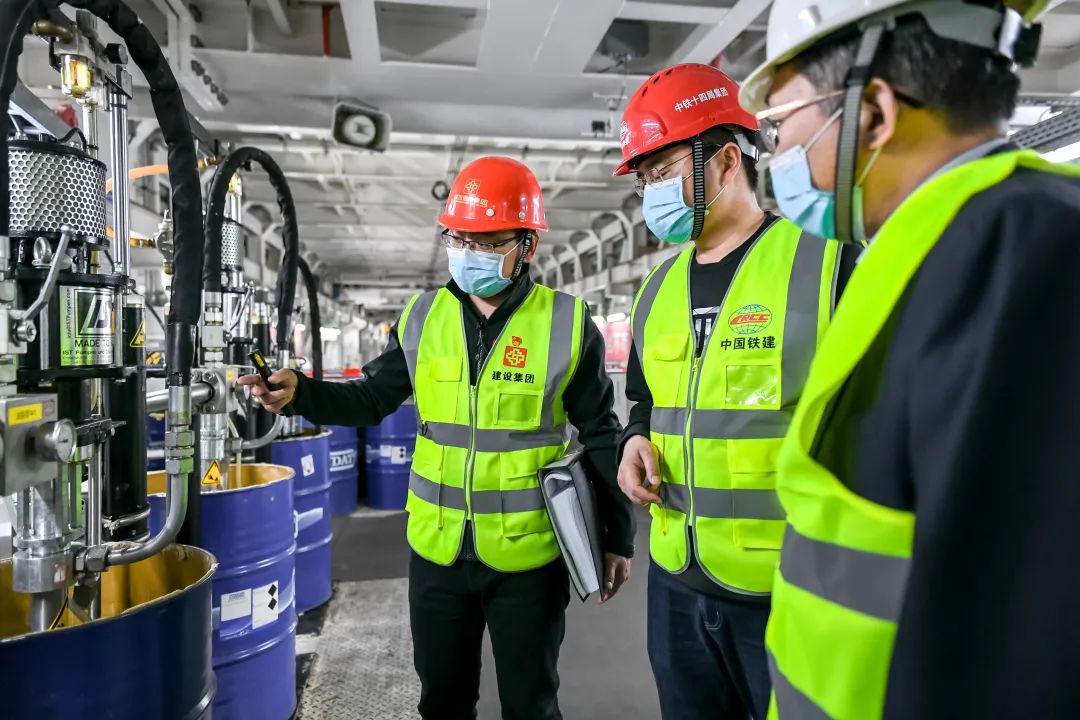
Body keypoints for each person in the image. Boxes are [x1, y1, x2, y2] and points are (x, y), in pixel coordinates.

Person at [739, 1, 1080, 718]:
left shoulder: (1020, 253)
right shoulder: (933, 245)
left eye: (780, 124)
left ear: (873, 113)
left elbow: (1022, 640)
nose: (775, 155)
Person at [240, 156, 635, 720]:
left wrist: (618, 536)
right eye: (459, 238)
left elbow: (600, 433)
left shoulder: (567, 323)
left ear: (527, 245)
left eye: (487, 242)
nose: (469, 252)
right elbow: (370, 398)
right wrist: (299, 393)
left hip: (528, 557)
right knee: (443, 703)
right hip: (438, 551)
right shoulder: (423, 317)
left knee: (531, 704)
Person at [612, 63, 853, 720]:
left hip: (788, 585)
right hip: (676, 580)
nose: (650, 191)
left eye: (661, 170)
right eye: (643, 178)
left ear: (724, 161)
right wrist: (634, 439)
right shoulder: (655, 290)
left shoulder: (827, 263)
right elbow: (645, 400)